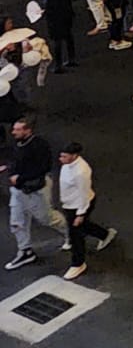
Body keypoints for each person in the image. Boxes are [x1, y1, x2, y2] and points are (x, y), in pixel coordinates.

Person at [1, 116, 68, 271]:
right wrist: (8, 168)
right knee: (17, 222)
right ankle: (25, 251)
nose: (13, 132)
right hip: (18, 190)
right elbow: (17, 161)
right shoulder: (18, 143)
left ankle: (71, 233)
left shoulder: (40, 146)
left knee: (47, 218)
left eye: (17, 130)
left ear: (28, 131)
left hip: (36, 190)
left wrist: (20, 177)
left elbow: (43, 168)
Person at [56, 142, 115, 280]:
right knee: (82, 227)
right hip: (70, 204)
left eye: (64, 156)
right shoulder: (67, 165)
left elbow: (84, 194)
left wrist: (80, 214)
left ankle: (78, 264)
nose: (60, 159)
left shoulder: (81, 172)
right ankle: (105, 234)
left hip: (78, 206)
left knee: (76, 235)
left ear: (74, 156)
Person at [40, 0, 76, 72]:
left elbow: (51, 8)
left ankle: (58, 65)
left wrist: (44, 12)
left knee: (57, 42)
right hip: (66, 16)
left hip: (55, 20)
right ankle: (71, 59)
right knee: (69, 37)